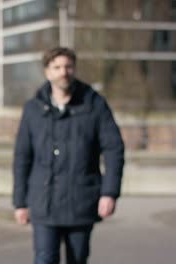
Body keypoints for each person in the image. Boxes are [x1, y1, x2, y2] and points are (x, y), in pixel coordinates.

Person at [12, 47, 125, 264]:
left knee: (78, 259)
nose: (63, 72)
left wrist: (109, 193)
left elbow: (114, 149)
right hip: (43, 203)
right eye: (57, 67)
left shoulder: (94, 105)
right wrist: (20, 202)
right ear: (47, 72)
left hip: (81, 202)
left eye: (68, 67)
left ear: (74, 69)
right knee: (44, 259)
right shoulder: (33, 109)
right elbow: (22, 157)